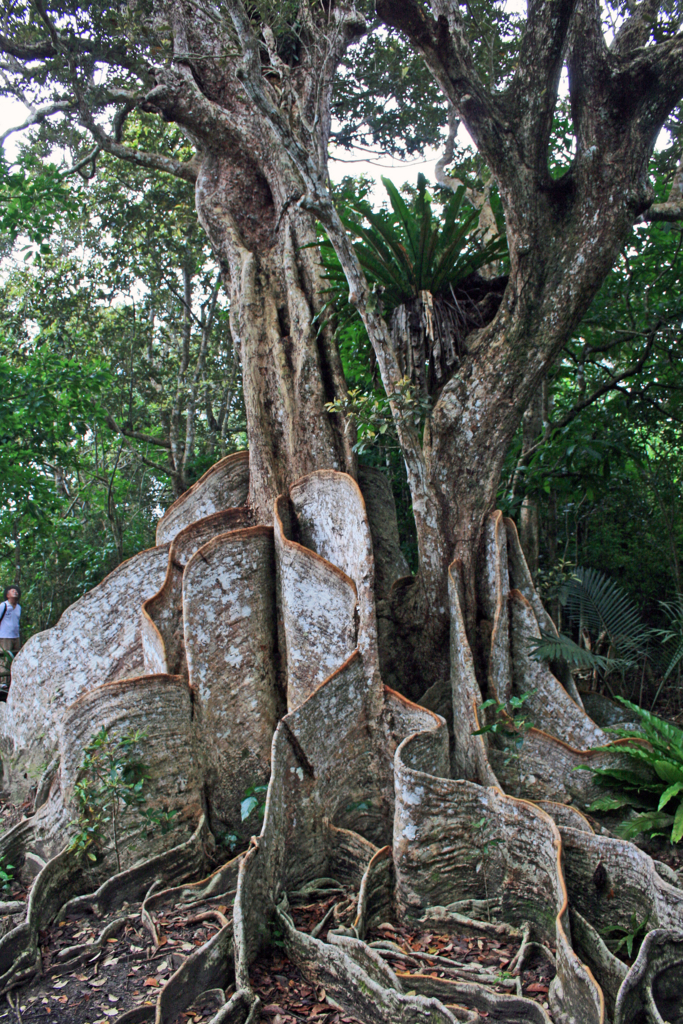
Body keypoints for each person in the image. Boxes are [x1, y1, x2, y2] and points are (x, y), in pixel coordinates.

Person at [0, 584, 21, 658]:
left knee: (16, 657)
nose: (15, 592)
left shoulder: (19, 607)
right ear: (7, 595)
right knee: (5, 657)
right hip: (5, 636)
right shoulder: (3, 605)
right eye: (13, 591)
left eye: (16, 591)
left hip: (16, 636)